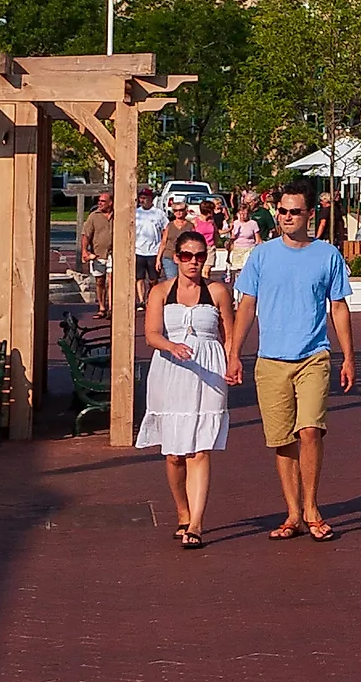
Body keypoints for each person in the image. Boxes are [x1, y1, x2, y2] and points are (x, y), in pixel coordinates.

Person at [225, 180, 357, 542]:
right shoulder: (262, 255)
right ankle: (293, 514)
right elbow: (246, 306)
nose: (285, 217)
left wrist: (348, 356)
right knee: (282, 440)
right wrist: (234, 353)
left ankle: (312, 508)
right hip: (270, 360)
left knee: (310, 431)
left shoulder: (327, 255)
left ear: (309, 214)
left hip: (313, 356)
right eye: (281, 210)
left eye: (294, 211)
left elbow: (339, 307)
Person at [137, 228, 232, 549]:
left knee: (200, 449)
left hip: (209, 371)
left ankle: (196, 523)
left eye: (200, 256)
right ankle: (182, 510)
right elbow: (150, 333)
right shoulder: (161, 291)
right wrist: (170, 345)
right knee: (175, 453)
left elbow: (228, 334)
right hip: (171, 370)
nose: (193, 262)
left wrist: (233, 363)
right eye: (187, 256)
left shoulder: (217, 291)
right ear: (176, 258)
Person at [78, 192, 115, 315]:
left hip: (113, 254)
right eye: (99, 201)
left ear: (110, 203)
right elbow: (86, 235)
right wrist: (84, 251)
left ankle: (111, 307)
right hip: (98, 254)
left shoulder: (117, 215)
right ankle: (101, 306)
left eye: (103, 201)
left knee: (111, 280)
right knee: (100, 281)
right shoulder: (94, 216)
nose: (100, 203)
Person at [131, 186, 169, 288]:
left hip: (153, 251)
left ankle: (151, 296)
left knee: (153, 279)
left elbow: (166, 229)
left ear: (150, 199)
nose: (142, 200)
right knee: (139, 278)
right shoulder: (135, 213)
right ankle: (142, 300)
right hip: (138, 251)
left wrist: (163, 244)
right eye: (141, 198)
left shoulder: (159, 213)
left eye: (145, 198)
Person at [221, 201, 261, 275]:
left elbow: (258, 239)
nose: (243, 216)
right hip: (238, 248)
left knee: (246, 267)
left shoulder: (253, 223)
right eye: (241, 214)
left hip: (249, 248)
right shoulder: (235, 223)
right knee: (238, 270)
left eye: (245, 214)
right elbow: (232, 238)